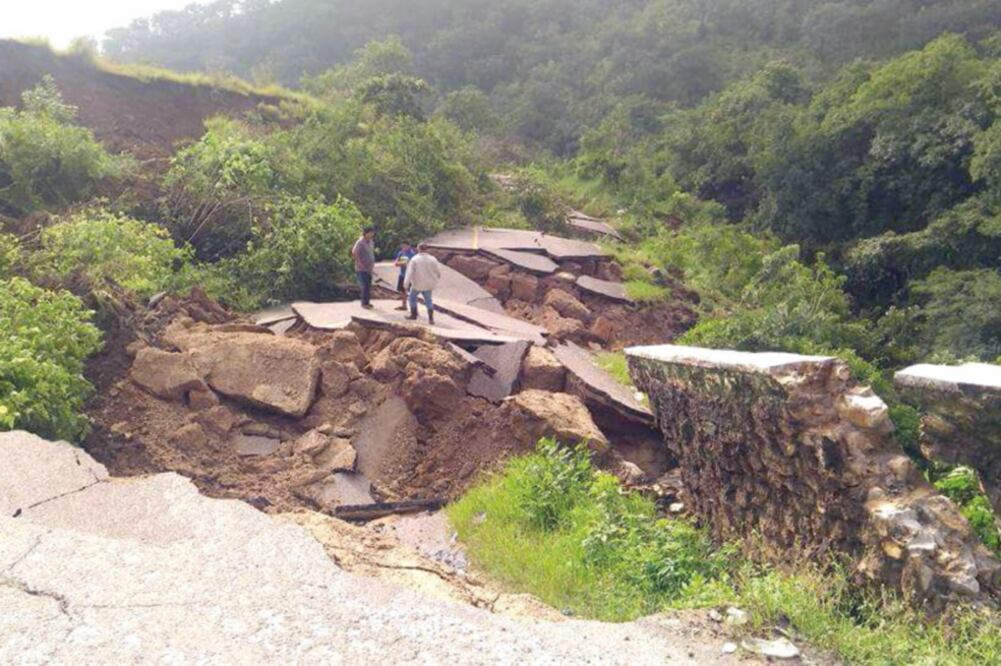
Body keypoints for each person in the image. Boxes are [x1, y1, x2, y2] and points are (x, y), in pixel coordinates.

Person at [403, 243, 442, 325]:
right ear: (427, 249)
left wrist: (406, 284)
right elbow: (438, 271)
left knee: (412, 298)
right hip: (428, 284)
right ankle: (431, 319)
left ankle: (413, 315)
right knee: (428, 300)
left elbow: (409, 272)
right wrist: (437, 278)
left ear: (418, 249)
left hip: (417, 284)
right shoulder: (433, 259)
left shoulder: (415, 259)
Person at [351, 227, 376, 309]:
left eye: (372, 233)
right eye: (370, 233)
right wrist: (359, 263)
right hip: (361, 268)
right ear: (366, 233)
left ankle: (367, 302)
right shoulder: (360, 242)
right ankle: (364, 303)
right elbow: (354, 252)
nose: (372, 234)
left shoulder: (371, 242)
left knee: (368, 286)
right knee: (364, 285)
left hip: (369, 268)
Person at [392, 241, 416, 311]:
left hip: (409, 275)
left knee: (411, 291)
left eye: (405, 246)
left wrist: (402, 263)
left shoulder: (412, 254)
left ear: (409, 246)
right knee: (402, 291)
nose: (403, 247)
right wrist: (400, 263)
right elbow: (396, 262)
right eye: (402, 246)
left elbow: (410, 264)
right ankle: (404, 305)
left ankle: (413, 307)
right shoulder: (401, 253)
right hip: (402, 274)